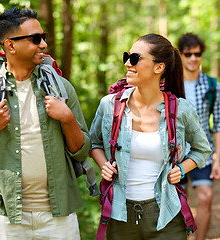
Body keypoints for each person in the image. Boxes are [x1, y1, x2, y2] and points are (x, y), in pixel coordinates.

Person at [0, 7, 91, 239]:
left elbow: (82, 152)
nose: (43, 45)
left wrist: (68, 118)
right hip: (8, 217)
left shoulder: (61, 88)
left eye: (44, 37)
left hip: (58, 216)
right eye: (35, 39)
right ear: (10, 45)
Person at [90, 33, 211, 239]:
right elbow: (94, 143)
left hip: (166, 215)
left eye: (136, 58)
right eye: (127, 56)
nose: (128, 63)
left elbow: (202, 149)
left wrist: (182, 169)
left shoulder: (181, 110)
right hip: (120, 214)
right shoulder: (110, 105)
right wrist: (104, 164)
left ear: (159, 67)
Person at [177, 32, 220, 240]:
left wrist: (218, 159)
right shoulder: (169, 85)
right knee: (179, 202)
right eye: (188, 54)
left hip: (202, 154)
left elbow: (219, 124)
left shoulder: (212, 85)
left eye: (197, 54)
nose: (193, 58)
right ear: (180, 55)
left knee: (206, 197)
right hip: (175, 154)